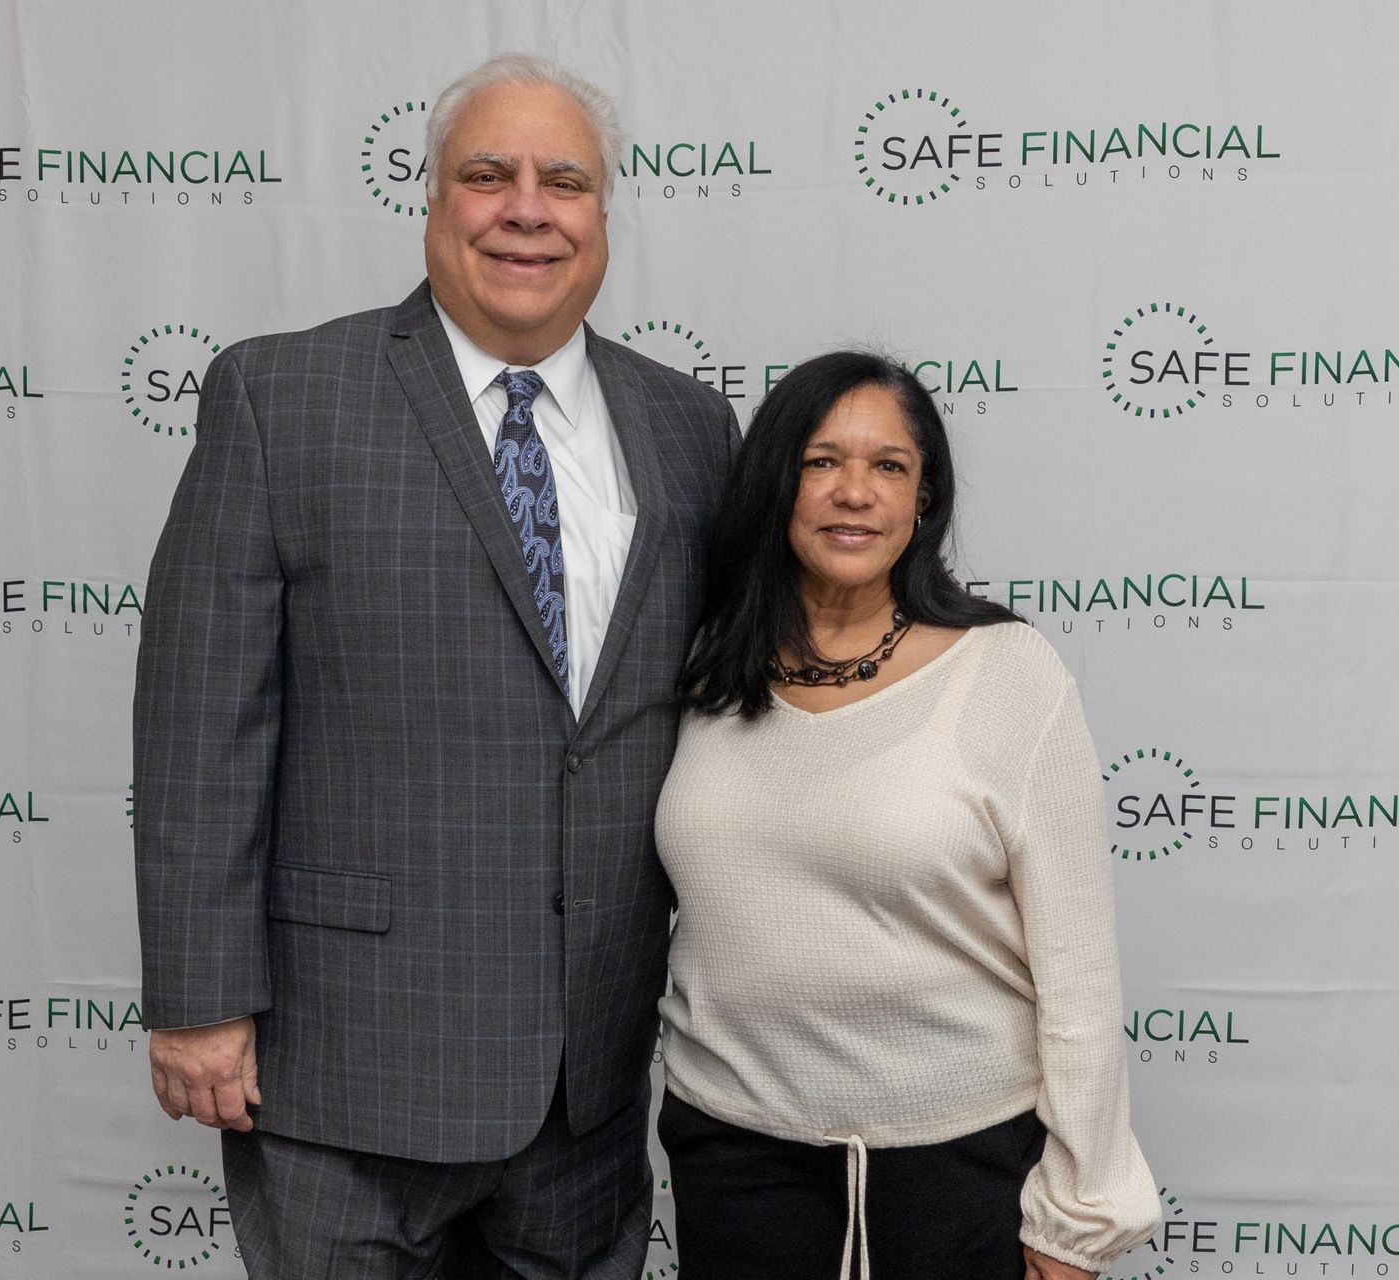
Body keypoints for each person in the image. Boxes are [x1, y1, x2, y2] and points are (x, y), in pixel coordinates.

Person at [131, 53, 738, 1280]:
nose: (527, 207)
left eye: (564, 180)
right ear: (432, 200)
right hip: (349, 1064)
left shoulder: (689, 427)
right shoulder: (283, 394)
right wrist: (198, 997)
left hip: (590, 1080)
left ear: (603, 215)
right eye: (488, 174)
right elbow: (202, 718)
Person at [657, 352, 1159, 1280]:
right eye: (822, 461)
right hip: (732, 1160)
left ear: (923, 501)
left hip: (953, 1175)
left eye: (890, 466)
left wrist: (1079, 1217)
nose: (856, 493)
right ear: (777, 484)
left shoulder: (1006, 673)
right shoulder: (701, 670)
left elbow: (1079, 972)